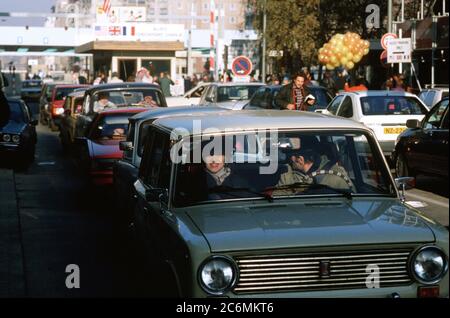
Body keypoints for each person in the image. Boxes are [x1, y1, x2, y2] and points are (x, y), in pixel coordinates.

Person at [275, 147, 353, 195]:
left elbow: (352, 200)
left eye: (292, 157)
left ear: (300, 160)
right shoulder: (287, 175)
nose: (290, 161)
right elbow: (277, 199)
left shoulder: (337, 175)